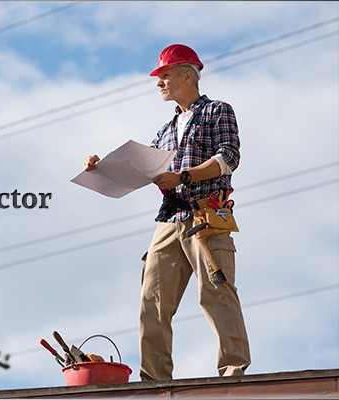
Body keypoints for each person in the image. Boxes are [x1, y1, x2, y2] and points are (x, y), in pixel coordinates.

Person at [84, 44, 251, 380]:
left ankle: (232, 375)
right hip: (169, 220)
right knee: (152, 302)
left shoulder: (217, 111)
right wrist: (101, 169)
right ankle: (155, 381)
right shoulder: (164, 131)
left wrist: (184, 176)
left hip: (206, 215)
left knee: (216, 293)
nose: (159, 82)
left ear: (188, 75)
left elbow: (228, 157)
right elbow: (146, 170)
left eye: (165, 75)